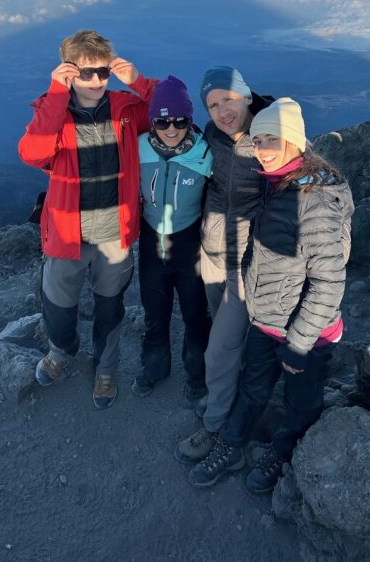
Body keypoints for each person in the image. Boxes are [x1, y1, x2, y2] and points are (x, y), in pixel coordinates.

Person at [186, 97, 354, 491]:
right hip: (269, 319)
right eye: (257, 140)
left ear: (295, 143)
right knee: (253, 387)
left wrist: (298, 344)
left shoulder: (314, 202)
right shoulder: (281, 184)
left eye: (271, 141)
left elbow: (329, 282)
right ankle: (231, 446)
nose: (262, 152)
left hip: (306, 335)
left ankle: (283, 452)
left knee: (302, 401)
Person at [18, 30, 157, 409]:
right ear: (68, 73)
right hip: (66, 235)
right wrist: (56, 94)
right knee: (58, 307)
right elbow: (31, 152)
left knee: (110, 308)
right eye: (86, 73)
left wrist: (138, 81)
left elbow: (172, 108)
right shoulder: (54, 112)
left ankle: (106, 367)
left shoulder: (126, 110)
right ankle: (62, 350)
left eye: (103, 72)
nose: (96, 81)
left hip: (114, 234)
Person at [175, 67, 271, 463]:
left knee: (218, 350)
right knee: (227, 341)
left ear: (247, 96)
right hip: (211, 252)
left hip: (247, 262)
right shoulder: (212, 136)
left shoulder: (271, 138)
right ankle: (226, 396)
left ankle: (215, 426)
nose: (221, 110)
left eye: (227, 99)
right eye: (212, 105)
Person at [132, 75, 213, 399]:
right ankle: (155, 368)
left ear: (190, 120)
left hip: (190, 244)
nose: (171, 128)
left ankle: (197, 376)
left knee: (195, 314)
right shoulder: (137, 148)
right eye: (162, 120)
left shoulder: (207, 154)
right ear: (153, 121)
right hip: (152, 244)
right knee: (155, 312)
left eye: (180, 120)